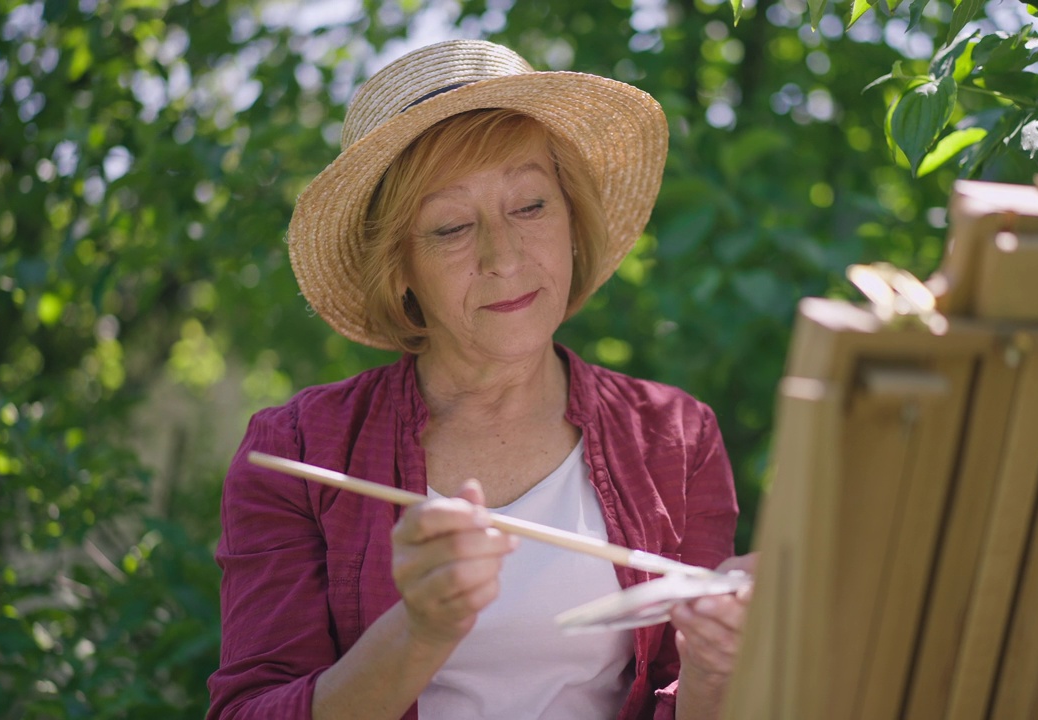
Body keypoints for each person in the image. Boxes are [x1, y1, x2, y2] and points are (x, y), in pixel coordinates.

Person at [207, 39, 750, 720]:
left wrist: (715, 663)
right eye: (452, 226)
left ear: (573, 222)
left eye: (530, 206)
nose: (503, 254)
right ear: (399, 267)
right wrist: (419, 632)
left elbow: (691, 698)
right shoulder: (298, 454)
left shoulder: (676, 436)